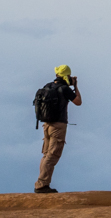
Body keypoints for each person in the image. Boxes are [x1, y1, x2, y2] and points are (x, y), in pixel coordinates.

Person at [35, 64, 82, 194]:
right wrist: (75, 86)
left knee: (46, 155)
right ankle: (42, 185)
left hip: (46, 124)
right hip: (58, 125)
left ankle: (42, 183)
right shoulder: (64, 89)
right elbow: (78, 102)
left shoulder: (48, 86)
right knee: (52, 155)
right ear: (67, 76)